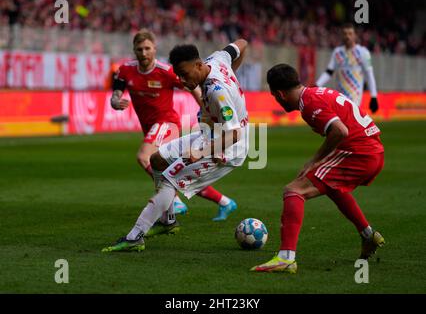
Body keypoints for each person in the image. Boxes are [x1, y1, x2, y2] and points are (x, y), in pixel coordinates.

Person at [102, 39, 249, 252]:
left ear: (198, 66)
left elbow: (235, 134)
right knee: (157, 159)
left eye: (184, 74)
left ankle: (135, 236)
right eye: (178, 75)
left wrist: (201, 152)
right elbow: (242, 43)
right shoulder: (218, 58)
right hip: (209, 135)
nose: (181, 80)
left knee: (171, 181)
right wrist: (232, 73)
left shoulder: (218, 92)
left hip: (227, 147)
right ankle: (168, 221)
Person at [252, 64, 385, 273]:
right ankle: (368, 235)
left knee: (293, 190)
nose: (275, 99)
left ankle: (286, 258)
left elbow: (339, 131)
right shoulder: (315, 93)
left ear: (280, 94)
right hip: (371, 151)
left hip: (359, 153)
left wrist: (314, 160)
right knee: (332, 186)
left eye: (274, 96)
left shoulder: (309, 103)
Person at [316, 23, 379, 113]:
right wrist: (317, 85)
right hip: (340, 96)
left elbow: (369, 75)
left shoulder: (363, 53)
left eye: (350, 33)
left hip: (355, 96)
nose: (347, 36)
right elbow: (329, 72)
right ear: (342, 35)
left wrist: (373, 96)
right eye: (345, 33)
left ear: (355, 36)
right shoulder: (337, 52)